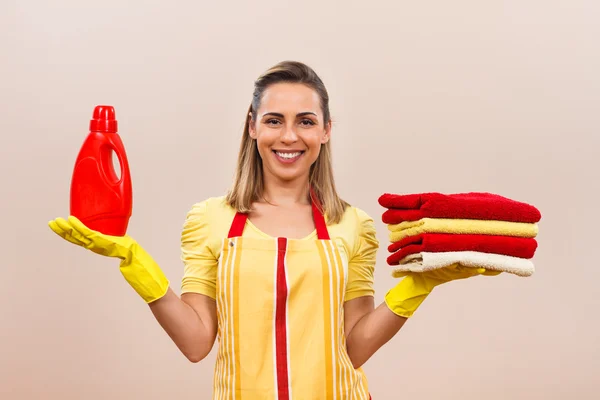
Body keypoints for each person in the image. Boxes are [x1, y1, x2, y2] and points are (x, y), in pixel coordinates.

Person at [49, 60, 494, 399]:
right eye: (274, 120)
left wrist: (418, 285)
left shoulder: (352, 225)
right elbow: (196, 342)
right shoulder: (210, 220)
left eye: (306, 121)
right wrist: (135, 263)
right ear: (252, 127)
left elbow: (354, 347)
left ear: (325, 132)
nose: (289, 136)